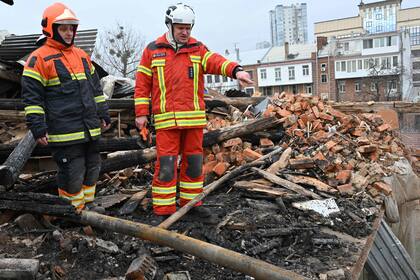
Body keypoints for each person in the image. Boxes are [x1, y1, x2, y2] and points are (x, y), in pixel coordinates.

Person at [134, 3, 253, 218]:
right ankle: (163, 210)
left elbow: (216, 61)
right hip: (167, 122)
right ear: (169, 26)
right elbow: (142, 85)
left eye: (188, 28)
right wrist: (141, 114)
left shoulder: (197, 48)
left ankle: (191, 205)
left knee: (194, 165)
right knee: (167, 166)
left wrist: (236, 71)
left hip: (193, 122)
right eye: (180, 28)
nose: (185, 32)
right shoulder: (152, 51)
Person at [22, 2, 110, 210]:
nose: (69, 33)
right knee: (72, 171)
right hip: (64, 132)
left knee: (93, 167)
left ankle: (87, 206)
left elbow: (95, 90)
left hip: (89, 128)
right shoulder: (38, 59)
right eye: (63, 28)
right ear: (50, 29)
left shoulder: (81, 56)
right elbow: (32, 98)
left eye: (72, 28)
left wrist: (103, 113)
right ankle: (72, 211)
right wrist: (37, 126)